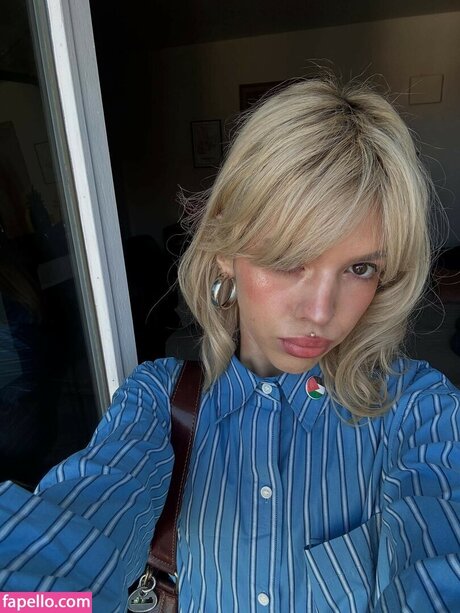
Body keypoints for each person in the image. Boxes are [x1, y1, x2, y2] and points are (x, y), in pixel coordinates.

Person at [1, 76, 459, 612]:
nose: (320, 312)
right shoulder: (158, 401)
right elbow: (74, 538)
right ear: (225, 251)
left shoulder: (417, 411)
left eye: (360, 268)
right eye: (289, 260)